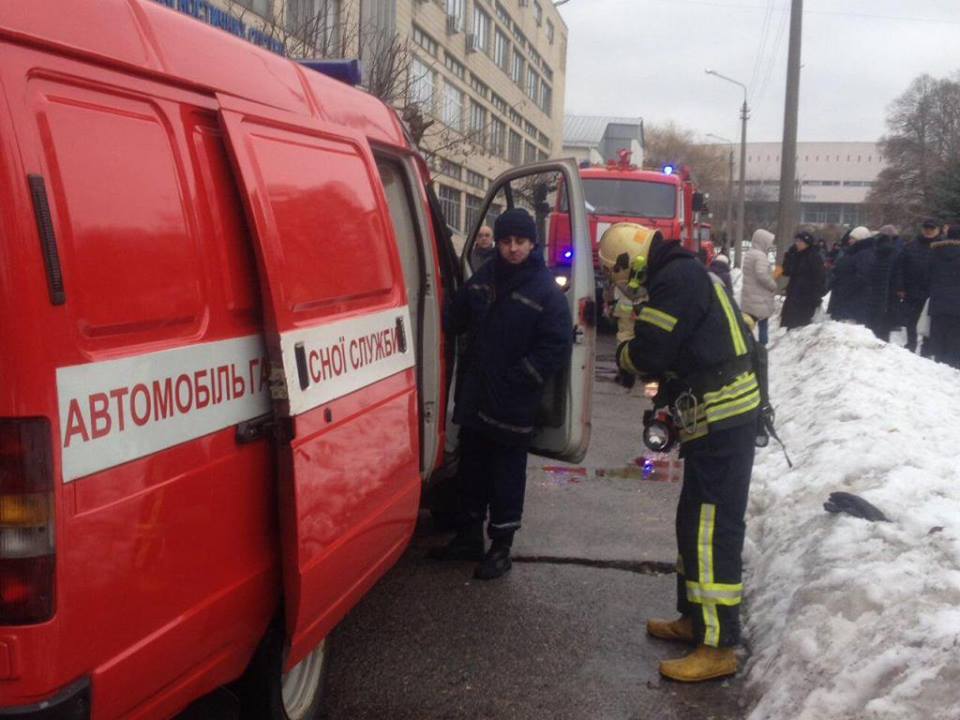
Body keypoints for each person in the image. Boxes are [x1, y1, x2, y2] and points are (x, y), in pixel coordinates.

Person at [600, 223, 758, 683]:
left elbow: (650, 352)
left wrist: (625, 345)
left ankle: (718, 645)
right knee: (693, 520)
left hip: (724, 420)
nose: (619, 283)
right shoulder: (680, 273)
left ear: (630, 262)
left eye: (615, 273)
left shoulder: (675, 279)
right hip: (715, 419)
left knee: (711, 528)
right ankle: (695, 619)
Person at [432, 208, 572, 580]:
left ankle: (501, 548)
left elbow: (555, 346)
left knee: (506, 477)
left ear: (532, 244)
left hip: (513, 403)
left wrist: (521, 377)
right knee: (472, 472)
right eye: (506, 241)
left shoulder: (545, 290)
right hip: (477, 397)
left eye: (520, 242)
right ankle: (468, 538)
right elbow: (456, 316)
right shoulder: (485, 277)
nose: (512, 248)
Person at [894, 218, 939, 353]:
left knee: (929, 321)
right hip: (912, 289)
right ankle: (911, 344)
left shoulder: (941, 247)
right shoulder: (911, 246)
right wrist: (900, 287)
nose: (928, 231)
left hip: (932, 291)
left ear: (937, 230)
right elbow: (900, 267)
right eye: (926, 228)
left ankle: (927, 348)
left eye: (931, 228)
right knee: (911, 319)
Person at [927, 224, 960, 368]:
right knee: (956, 337)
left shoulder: (935, 252)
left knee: (939, 336)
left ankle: (939, 365)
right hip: (958, 304)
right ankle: (953, 365)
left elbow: (927, 274)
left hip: (938, 301)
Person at [780, 230, 826, 330]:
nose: (797, 243)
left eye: (800, 241)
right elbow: (787, 271)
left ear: (807, 243)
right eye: (796, 241)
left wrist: (816, 296)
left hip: (806, 297)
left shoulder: (814, 256)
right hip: (794, 293)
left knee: (801, 325)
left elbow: (820, 277)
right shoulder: (795, 254)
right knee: (790, 324)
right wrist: (788, 257)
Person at [740, 229, 778, 345]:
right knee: (763, 324)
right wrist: (772, 285)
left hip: (749, 295)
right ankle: (762, 347)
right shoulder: (760, 256)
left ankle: (745, 344)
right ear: (763, 241)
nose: (770, 245)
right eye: (769, 242)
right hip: (760, 298)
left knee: (748, 324)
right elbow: (761, 274)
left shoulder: (750, 254)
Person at [829, 226, 872, 321]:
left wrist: (846, 287)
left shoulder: (864, 254)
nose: (849, 241)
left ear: (860, 239)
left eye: (852, 238)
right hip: (848, 295)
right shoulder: (853, 251)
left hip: (855, 298)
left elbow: (862, 276)